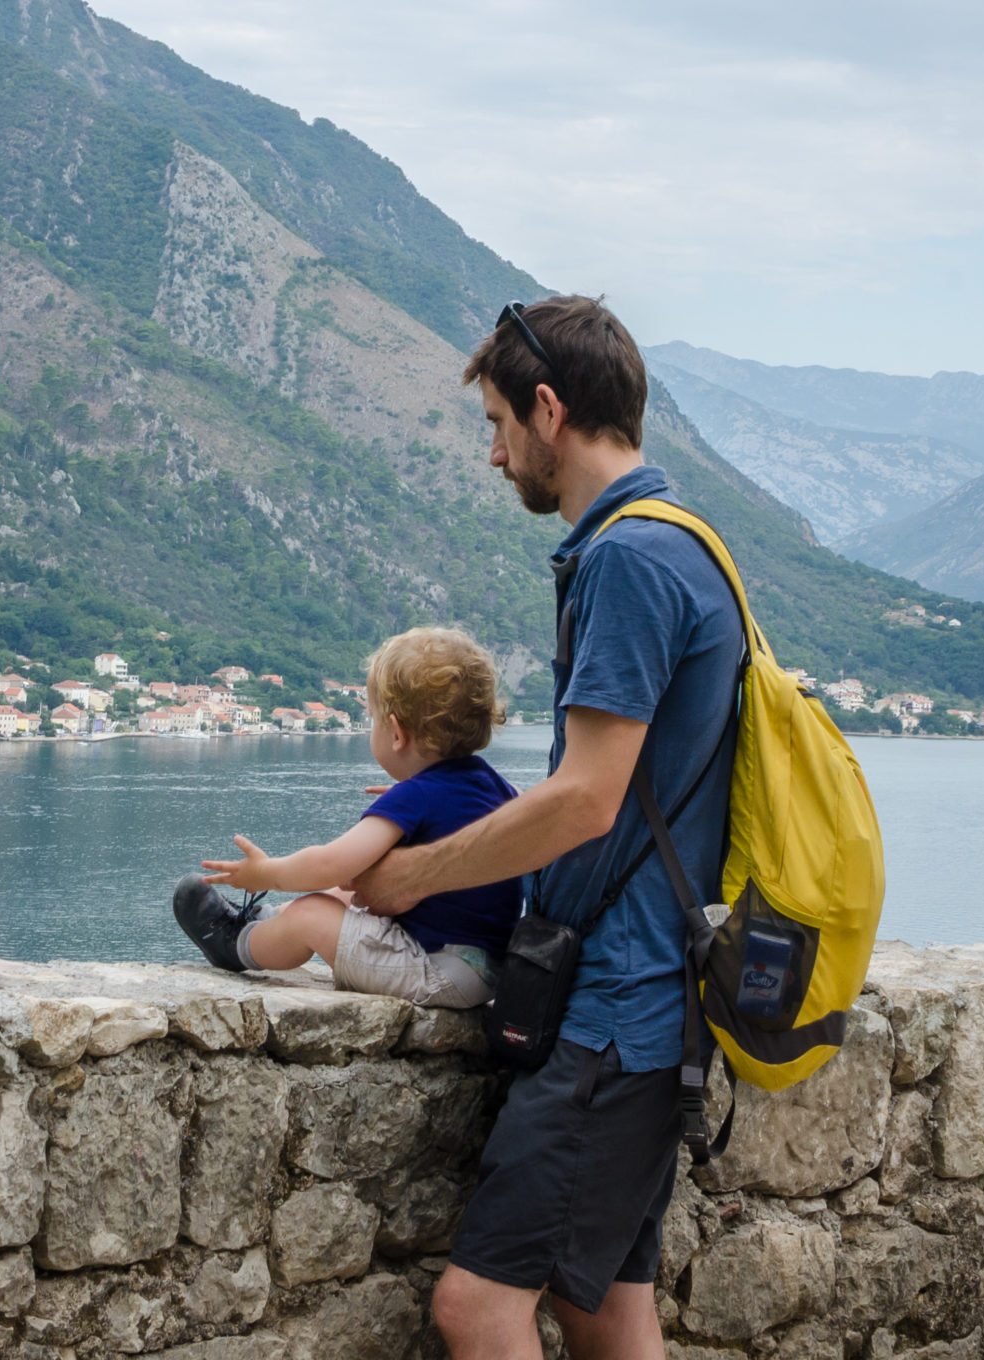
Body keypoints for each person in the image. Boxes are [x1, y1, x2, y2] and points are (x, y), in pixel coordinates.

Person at [354, 295, 745, 1360]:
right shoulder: (687, 544)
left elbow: (586, 796)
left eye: (493, 424)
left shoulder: (627, 559)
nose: (492, 456)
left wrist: (414, 876)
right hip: (657, 1007)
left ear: (546, 408)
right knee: (603, 1306)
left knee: (477, 1307)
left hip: (614, 1017)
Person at [170, 626, 522, 1008]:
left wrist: (266, 872)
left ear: (397, 734)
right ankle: (263, 918)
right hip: (483, 969)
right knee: (351, 893)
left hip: (437, 972)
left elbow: (331, 863)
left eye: (372, 719)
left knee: (313, 913)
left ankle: (232, 945)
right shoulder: (494, 786)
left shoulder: (417, 796)